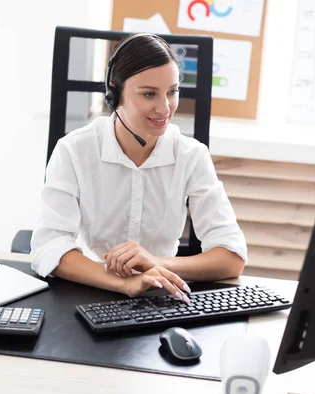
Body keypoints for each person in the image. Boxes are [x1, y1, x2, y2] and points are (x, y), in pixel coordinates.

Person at [30, 33, 247, 304]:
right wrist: (125, 283)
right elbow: (49, 248)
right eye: (149, 94)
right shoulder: (74, 150)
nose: (164, 108)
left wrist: (154, 263)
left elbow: (232, 257)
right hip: (84, 290)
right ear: (114, 92)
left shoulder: (191, 155)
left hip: (159, 296)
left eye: (172, 92)